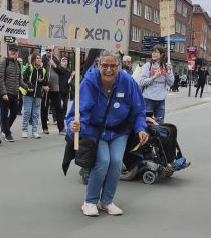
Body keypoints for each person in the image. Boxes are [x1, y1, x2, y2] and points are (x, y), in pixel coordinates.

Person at [67, 50, 148, 216]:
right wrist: (75, 125)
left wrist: (141, 128)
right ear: (98, 65)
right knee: (103, 160)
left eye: (113, 66)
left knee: (117, 162)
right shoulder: (89, 81)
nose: (109, 69)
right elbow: (78, 112)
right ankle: (90, 201)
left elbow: (139, 109)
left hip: (119, 130)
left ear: (119, 66)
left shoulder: (127, 81)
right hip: (94, 130)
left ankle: (106, 201)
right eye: (105, 65)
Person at [0, 43, 28, 142]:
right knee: (4, 114)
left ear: (17, 53)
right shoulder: (3, 61)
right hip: (5, 93)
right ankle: (7, 134)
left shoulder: (18, 64)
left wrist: (27, 87)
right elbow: (0, 78)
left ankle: (5, 129)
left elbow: (19, 80)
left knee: (14, 113)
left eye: (15, 51)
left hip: (15, 93)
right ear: (8, 51)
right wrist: (4, 92)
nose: (13, 52)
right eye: (11, 51)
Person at [140, 45, 174, 123]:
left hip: (161, 100)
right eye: (153, 52)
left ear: (161, 54)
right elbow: (142, 82)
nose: (153, 54)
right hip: (148, 99)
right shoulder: (148, 66)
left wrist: (169, 71)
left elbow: (171, 83)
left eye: (156, 52)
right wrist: (154, 77)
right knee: (147, 123)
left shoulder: (166, 66)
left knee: (160, 124)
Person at [21, 52, 48, 138]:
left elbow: (46, 81)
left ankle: (34, 131)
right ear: (33, 60)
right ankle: (24, 130)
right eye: (37, 58)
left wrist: (43, 83)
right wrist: (28, 87)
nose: (39, 60)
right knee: (27, 112)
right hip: (28, 94)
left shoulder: (43, 70)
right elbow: (23, 80)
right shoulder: (29, 68)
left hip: (38, 95)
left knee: (36, 114)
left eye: (39, 58)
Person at [41, 47, 65, 135]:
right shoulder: (42, 60)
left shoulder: (56, 60)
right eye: (47, 50)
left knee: (58, 108)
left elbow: (62, 72)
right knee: (44, 108)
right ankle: (44, 127)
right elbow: (40, 74)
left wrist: (54, 65)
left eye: (50, 50)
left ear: (52, 52)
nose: (48, 52)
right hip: (46, 88)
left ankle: (61, 128)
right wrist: (44, 85)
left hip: (56, 88)